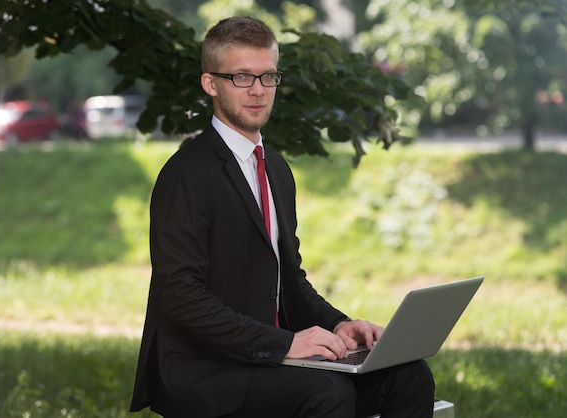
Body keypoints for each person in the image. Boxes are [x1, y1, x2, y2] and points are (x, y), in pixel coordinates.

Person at [130, 16, 435, 418]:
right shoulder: (186, 174)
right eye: (242, 77)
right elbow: (181, 297)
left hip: (267, 356)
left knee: (410, 376)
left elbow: (290, 280)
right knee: (328, 392)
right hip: (205, 369)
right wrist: (284, 344)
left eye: (268, 77)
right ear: (211, 84)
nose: (258, 91)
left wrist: (340, 325)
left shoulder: (275, 169)